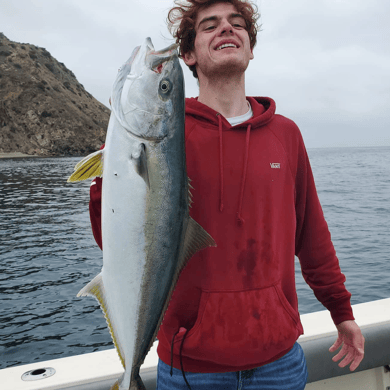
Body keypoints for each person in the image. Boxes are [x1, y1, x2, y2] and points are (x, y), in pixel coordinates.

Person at [89, 0, 365, 388]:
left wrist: (341, 311)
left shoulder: (285, 135)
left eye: (237, 24)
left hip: (279, 362)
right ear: (188, 54)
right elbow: (120, 241)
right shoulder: (166, 134)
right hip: (190, 368)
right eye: (210, 25)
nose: (226, 29)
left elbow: (312, 236)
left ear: (250, 48)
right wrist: (111, 173)